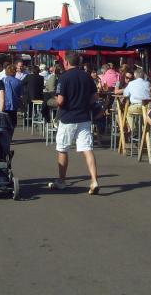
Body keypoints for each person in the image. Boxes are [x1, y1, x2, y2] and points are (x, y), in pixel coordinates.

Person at [48, 51, 100, 194]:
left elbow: (60, 101)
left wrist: (53, 102)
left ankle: (61, 180)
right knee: (87, 148)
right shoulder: (86, 76)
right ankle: (94, 180)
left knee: (63, 148)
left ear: (66, 62)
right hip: (83, 117)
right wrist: (84, 103)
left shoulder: (64, 77)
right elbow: (95, 96)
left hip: (68, 117)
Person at [1, 64, 23, 131]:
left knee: (4, 122)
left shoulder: (2, 81)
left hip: (4, 104)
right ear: (15, 72)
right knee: (13, 123)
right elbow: (21, 95)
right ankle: (10, 135)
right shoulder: (18, 82)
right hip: (14, 104)